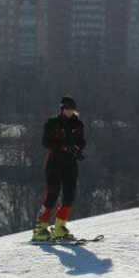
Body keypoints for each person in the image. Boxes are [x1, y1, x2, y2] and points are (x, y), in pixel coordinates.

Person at [32, 95, 86, 241]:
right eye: (67, 109)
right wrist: (62, 146)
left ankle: (59, 228)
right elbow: (46, 142)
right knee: (52, 194)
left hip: (71, 163)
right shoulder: (52, 123)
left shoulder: (78, 124)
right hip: (54, 163)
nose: (69, 112)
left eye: (72, 109)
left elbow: (81, 141)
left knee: (69, 195)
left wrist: (77, 150)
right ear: (62, 109)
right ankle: (40, 229)